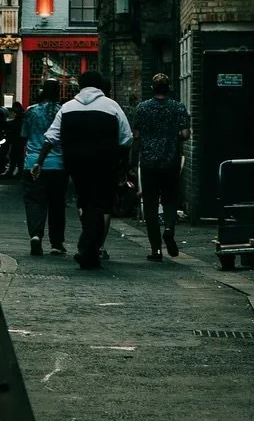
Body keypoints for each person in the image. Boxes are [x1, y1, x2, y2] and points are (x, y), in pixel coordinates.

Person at [34, 69, 131, 270]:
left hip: (75, 163)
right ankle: (88, 247)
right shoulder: (112, 106)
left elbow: (51, 137)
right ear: (100, 86)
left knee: (85, 201)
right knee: (101, 204)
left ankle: (90, 250)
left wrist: (39, 161)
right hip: (105, 163)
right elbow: (126, 137)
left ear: (79, 86)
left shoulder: (68, 107)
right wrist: (121, 162)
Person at [130, 72, 191, 261]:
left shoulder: (142, 108)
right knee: (170, 199)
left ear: (152, 88)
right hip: (170, 160)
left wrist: (132, 163)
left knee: (150, 204)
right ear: (169, 88)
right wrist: (172, 136)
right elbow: (185, 134)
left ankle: (156, 249)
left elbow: (137, 136)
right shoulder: (178, 107)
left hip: (148, 162)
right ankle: (169, 228)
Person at [21, 83, 67, 255]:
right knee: (57, 204)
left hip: (33, 162)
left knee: (34, 201)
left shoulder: (31, 111)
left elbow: (24, 136)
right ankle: (56, 243)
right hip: (57, 164)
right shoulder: (62, 111)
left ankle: (35, 235)